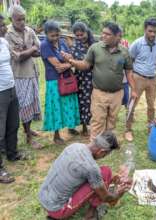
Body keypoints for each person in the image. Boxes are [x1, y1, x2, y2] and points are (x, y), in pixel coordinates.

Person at [64, 22, 137, 143]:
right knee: (97, 121)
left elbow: (129, 72)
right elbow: (85, 65)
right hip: (99, 93)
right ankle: (94, 145)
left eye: (107, 34)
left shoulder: (124, 52)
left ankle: (107, 143)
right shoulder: (95, 48)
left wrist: (134, 90)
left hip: (117, 94)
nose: (103, 36)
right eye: (102, 33)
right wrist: (71, 61)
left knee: (112, 120)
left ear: (116, 36)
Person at [39, 131, 131, 220]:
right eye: (105, 155)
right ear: (102, 151)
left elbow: (84, 170)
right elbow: (106, 197)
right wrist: (118, 194)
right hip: (57, 209)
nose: (103, 157)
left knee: (104, 173)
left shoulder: (75, 146)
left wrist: (112, 178)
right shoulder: (92, 168)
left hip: (43, 196)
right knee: (104, 173)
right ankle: (91, 215)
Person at [5, 5, 42, 148]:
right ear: (11, 19)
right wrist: (31, 49)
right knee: (24, 105)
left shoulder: (29, 31)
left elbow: (39, 50)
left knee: (32, 102)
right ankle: (28, 137)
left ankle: (28, 129)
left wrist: (27, 51)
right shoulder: (7, 34)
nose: (22, 22)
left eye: (24, 19)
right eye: (19, 19)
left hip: (32, 72)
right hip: (19, 75)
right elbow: (17, 57)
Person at [40, 20, 80, 144]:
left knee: (68, 103)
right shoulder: (44, 45)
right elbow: (57, 67)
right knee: (56, 107)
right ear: (46, 34)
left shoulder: (62, 42)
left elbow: (71, 57)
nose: (55, 38)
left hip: (67, 78)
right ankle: (56, 135)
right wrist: (71, 63)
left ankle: (70, 126)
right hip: (54, 81)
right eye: (52, 35)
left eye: (57, 35)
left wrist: (69, 62)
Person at [125, 17, 156, 141]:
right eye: (150, 31)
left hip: (153, 79)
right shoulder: (137, 44)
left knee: (151, 106)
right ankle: (128, 129)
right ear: (145, 29)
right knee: (132, 104)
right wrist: (133, 78)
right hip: (138, 78)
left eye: (155, 32)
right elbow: (129, 61)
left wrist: (152, 71)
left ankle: (150, 128)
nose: (152, 34)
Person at [0, 14, 26, 184]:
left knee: (13, 123)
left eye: (3, 25)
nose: (4, 28)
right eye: (1, 26)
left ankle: (12, 153)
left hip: (10, 88)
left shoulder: (3, 42)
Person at [71, 22, 95, 136]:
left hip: (93, 78)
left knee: (91, 101)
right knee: (82, 102)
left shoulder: (94, 44)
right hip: (80, 78)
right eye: (77, 35)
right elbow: (75, 60)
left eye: (82, 34)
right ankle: (84, 127)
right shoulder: (75, 45)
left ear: (87, 32)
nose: (80, 37)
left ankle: (91, 125)